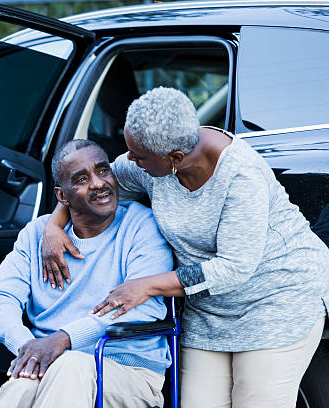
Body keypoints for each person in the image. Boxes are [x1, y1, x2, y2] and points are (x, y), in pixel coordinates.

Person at [42, 87, 329, 408]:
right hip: (209, 312)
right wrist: (54, 225)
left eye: (137, 156)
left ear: (175, 158)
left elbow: (233, 268)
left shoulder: (241, 176)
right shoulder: (151, 161)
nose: (129, 161)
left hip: (276, 301)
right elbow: (99, 186)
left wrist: (147, 285)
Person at [0, 139, 173, 408]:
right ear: (62, 197)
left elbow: (143, 307)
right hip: (54, 364)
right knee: (22, 383)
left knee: (71, 364)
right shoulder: (37, 235)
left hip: (129, 373)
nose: (98, 183)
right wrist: (29, 348)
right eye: (81, 179)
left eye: (103, 171)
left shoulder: (141, 226)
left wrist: (64, 339)